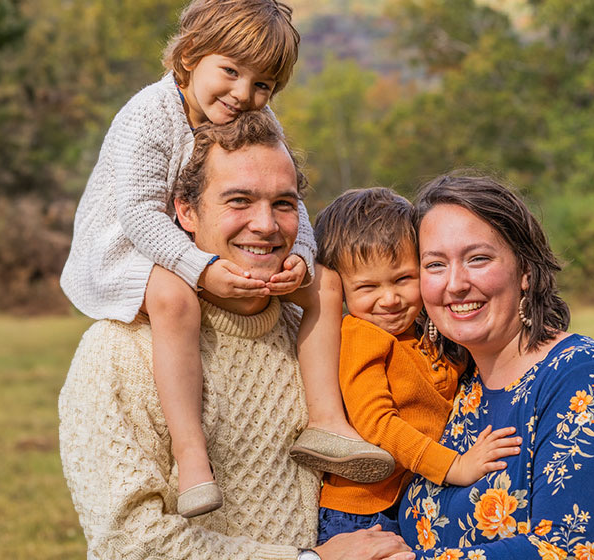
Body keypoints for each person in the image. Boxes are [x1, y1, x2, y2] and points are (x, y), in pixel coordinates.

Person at [59, 0, 384, 518]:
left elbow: (290, 195)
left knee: (323, 282)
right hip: (126, 246)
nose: (243, 95)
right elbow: (142, 215)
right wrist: (202, 270)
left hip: (188, 241)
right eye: (230, 72)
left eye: (263, 85)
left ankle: (325, 420)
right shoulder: (147, 115)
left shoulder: (255, 118)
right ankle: (192, 457)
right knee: (174, 297)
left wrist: (299, 254)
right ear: (188, 56)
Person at [59, 111, 412, 560]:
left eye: (283, 204)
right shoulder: (118, 351)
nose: (266, 225)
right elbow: (131, 543)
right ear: (185, 212)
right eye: (239, 201)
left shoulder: (317, 334)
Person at [398, 173, 594, 559]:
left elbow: (567, 550)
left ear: (525, 272)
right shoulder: (453, 386)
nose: (456, 283)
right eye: (435, 265)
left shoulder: (581, 377)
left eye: (477, 259)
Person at [310, 188, 523, 544]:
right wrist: (454, 466)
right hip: (361, 512)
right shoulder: (362, 335)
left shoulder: (425, 334)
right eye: (367, 287)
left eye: (403, 279)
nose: (389, 299)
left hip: (403, 500)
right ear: (342, 290)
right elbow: (377, 425)